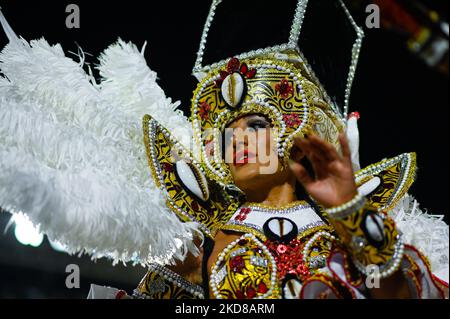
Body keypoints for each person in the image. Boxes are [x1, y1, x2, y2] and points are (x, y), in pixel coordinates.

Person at [0, 1, 448, 299]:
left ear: (303, 132)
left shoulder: (353, 227)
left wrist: (350, 211)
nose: (236, 142)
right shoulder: (202, 241)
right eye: (226, 132)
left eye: (255, 124)